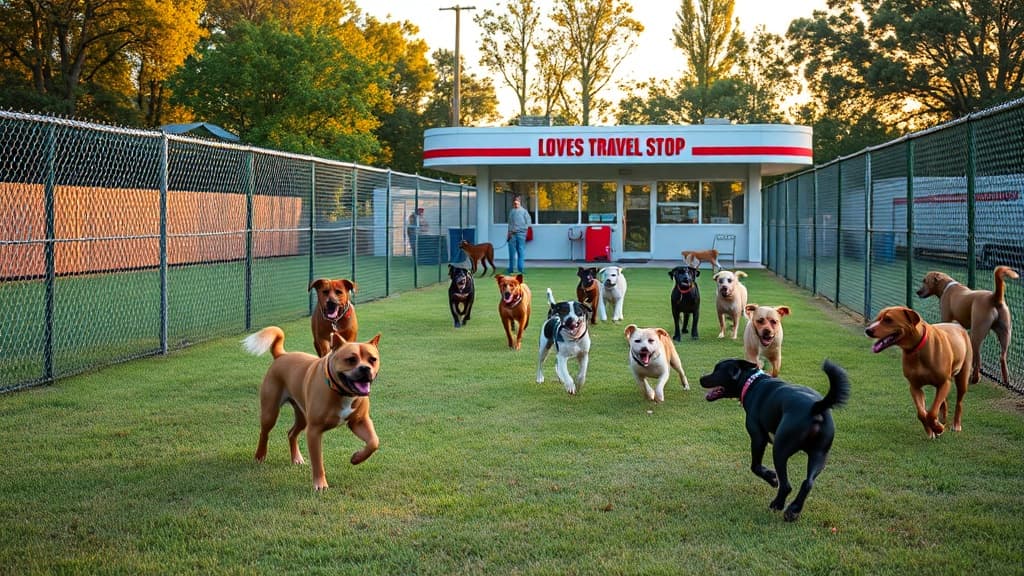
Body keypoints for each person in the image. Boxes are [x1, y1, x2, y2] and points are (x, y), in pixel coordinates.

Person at [506, 195, 532, 274]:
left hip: (521, 235)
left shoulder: (524, 212)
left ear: (520, 202)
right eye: (515, 202)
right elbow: (509, 223)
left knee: (521, 252)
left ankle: (521, 269)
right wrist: (509, 233)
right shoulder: (512, 211)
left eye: (517, 201)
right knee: (511, 252)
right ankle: (511, 269)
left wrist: (517, 230)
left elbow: (528, 224)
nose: (516, 203)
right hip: (512, 235)